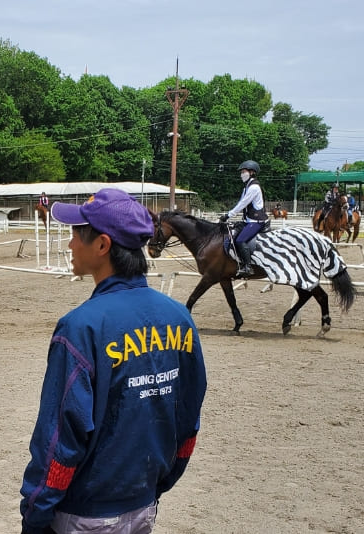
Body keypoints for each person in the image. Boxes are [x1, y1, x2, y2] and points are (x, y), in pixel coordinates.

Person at [20, 188, 207, 534]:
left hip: (85, 513)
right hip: (143, 506)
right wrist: (158, 484)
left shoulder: (81, 327)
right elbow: (188, 418)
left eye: (76, 233)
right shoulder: (179, 317)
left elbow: (59, 439)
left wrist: (35, 514)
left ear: (102, 245)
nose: (70, 244)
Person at [218, 160, 268, 277]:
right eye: (241, 172)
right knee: (232, 235)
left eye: (244, 172)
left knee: (240, 240)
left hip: (257, 221)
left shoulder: (254, 187)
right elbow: (241, 203)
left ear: (252, 172)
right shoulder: (246, 187)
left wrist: (228, 215)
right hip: (248, 221)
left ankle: (248, 267)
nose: (241, 174)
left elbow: (243, 204)